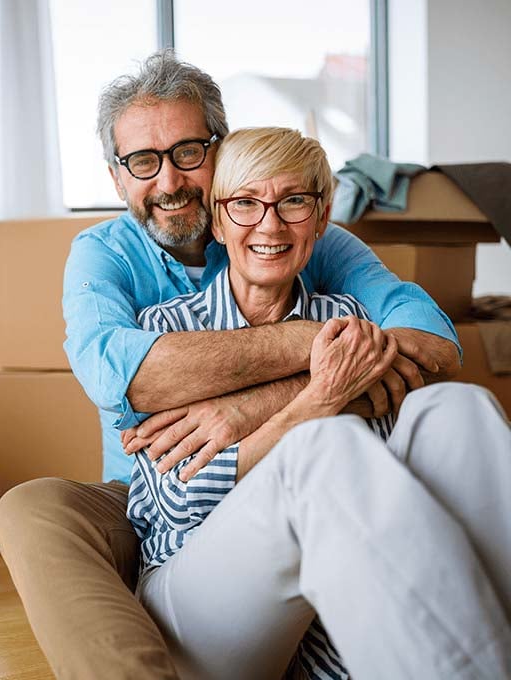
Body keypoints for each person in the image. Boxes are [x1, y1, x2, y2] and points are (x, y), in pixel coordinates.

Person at [0, 50, 461, 679]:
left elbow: (431, 345)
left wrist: (250, 404)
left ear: (221, 150)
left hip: (293, 476)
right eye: (142, 162)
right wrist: (320, 343)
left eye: (188, 152)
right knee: (29, 510)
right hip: (147, 490)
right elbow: (126, 381)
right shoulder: (102, 256)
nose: (168, 182)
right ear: (116, 178)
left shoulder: (288, 224)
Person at [125, 126, 511, 679]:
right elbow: (180, 502)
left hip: (334, 612)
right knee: (324, 443)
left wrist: (253, 414)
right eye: (246, 203)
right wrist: (319, 399)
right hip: (196, 594)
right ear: (216, 217)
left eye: (294, 202)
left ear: (323, 216)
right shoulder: (168, 331)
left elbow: (384, 466)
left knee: (457, 409)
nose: (271, 223)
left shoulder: (356, 320)